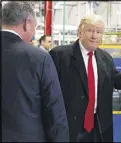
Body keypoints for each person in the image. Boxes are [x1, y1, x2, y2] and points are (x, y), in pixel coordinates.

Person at [49, 14, 121, 142]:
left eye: (98, 32)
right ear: (80, 32)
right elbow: (48, 91)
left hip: (98, 126)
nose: (94, 36)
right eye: (90, 30)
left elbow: (120, 82)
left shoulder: (105, 58)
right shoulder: (60, 55)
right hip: (70, 126)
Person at [1, 2, 69, 142]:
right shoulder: (39, 58)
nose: (33, 34)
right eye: (35, 27)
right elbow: (54, 111)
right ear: (27, 23)